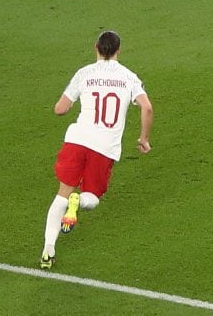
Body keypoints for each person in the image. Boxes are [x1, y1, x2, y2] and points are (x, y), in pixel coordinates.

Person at [40, 30, 153, 270]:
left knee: (61, 194)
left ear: (96, 48)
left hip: (77, 139)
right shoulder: (129, 77)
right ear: (118, 50)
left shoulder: (84, 73)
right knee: (91, 199)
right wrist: (143, 138)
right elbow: (147, 107)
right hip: (104, 147)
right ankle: (77, 202)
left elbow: (60, 109)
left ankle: (48, 250)